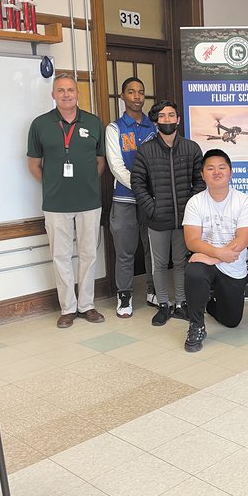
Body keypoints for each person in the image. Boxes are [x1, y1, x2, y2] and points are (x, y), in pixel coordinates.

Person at [27, 72, 105, 329]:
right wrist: (54, 186)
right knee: (60, 256)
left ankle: (87, 305)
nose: (66, 94)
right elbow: (34, 165)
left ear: (77, 93)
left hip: (89, 202)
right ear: (53, 95)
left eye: (70, 89)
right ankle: (68, 308)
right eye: (61, 90)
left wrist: (85, 184)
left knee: (88, 255)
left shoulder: (93, 123)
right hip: (56, 204)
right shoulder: (40, 125)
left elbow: (99, 162)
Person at [131, 100, 204, 326]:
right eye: (162, 116)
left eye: (171, 115)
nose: (167, 120)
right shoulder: (146, 150)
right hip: (157, 219)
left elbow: (200, 181)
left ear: (178, 120)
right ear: (156, 122)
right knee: (160, 264)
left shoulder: (191, 148)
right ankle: (163, 304)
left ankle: (181, 304)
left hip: (185, 220)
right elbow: (137, 183)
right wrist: (151, 208)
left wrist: (189, 208)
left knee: (181, 263)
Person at [182, 149, 248, 353]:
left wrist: (212, 256)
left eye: (222, 167)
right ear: (202, 174)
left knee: (232, 321)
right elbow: (192, 241)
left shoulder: (243, 201)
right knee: (194, 271)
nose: (217, 172)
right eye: (211, 168)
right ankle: (196, 325)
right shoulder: (195, 202)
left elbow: (243, 240)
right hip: (209, 264)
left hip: (232, 265)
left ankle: (208, 303)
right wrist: (217, 255)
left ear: (230, 172)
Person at [105, 77, 157, 318]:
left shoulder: (154, 127)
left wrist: (150, 191)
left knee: (152, 248)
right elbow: (116, 165)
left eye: (141, 92)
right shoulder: (114, 128)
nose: (137, 96)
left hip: (151, 199)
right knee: (125, 251)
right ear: (123, 96)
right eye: (131, 92)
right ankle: (124, 295)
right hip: (125, 198)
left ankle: (153, 290)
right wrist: (139, 187)